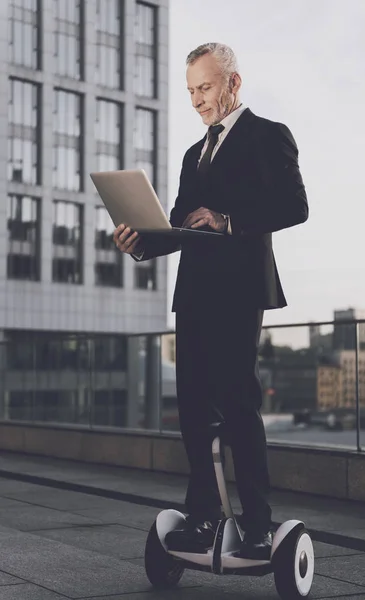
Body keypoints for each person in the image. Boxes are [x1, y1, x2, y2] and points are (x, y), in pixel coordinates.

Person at [113, 42, 308, 559]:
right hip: (195, 291)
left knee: (239, 403)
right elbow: (178, 223)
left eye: (205, 87)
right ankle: (202, 515)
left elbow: (295, 205)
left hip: (240, 290)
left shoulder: (269, 135)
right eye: (191, 90)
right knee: (194, 407)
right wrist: (142, 243)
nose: (197, 99)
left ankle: (259, 523)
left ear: (233, 84)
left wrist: (227, 220)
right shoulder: (192, 153)